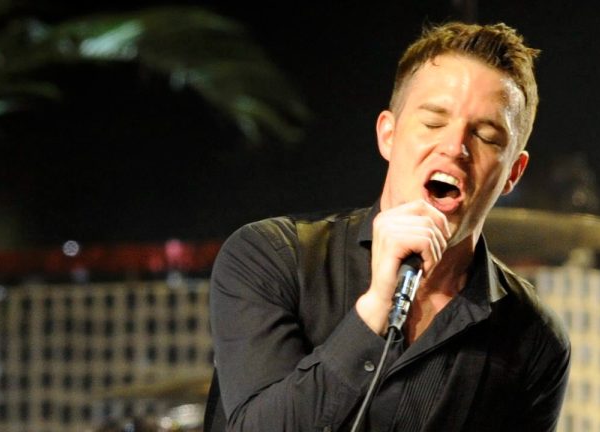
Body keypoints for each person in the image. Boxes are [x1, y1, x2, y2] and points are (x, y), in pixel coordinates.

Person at [205, 21, 570, 431]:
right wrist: (374, 309)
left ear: (512, 174)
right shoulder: (271, 257)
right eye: (433, 123)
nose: (454, 147)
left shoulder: (533, 337)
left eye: (485, 135)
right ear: (388, 135)